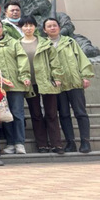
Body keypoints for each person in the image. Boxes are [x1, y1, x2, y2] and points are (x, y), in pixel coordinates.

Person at [44, 18, 94, 153]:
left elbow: (81, 59)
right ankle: (70, 142)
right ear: (44, 30)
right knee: (64, 114)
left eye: (54, 25)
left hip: (74, 82)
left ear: (59, 28)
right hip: (58, 85)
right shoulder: (44, 45)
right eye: (49, 26)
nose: (52, 28)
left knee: (80, 112)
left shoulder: (70, 42)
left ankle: (85, 142)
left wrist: (85, 76)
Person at [19, 16, 64, 154]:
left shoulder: (44, 43)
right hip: (29, 84)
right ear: (21, 28)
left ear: (35, 27)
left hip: (46, 81)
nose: (28, 28)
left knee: (51, 113)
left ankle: (57, 144)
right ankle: (42, 144)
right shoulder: (17, 44)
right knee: (36, 114)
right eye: (25, 26)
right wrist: (23, 77)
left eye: (31, 25)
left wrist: (57, 77)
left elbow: (54, 61)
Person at [0, 18, 30, 155]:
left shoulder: (13, 42)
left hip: (16, 84)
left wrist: (24, 75)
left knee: (17, 113)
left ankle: (19, 142)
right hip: (0, 86)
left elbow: (22, 59)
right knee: (5, 114)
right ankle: (10, 143)